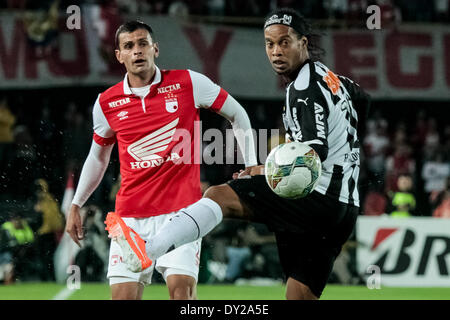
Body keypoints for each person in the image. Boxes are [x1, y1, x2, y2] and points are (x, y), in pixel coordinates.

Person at [105, 8, 370, 300]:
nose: (276, 52)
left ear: (303, 43)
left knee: (219, 197)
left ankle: (148, 249)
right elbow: (363, 102)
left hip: (316, 198)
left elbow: (310, 156)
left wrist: (268, 170)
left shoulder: (304, 90)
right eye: (270, 44)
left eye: (285, 42)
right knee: (299, 296)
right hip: (346, 206)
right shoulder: (334, 79)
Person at [65, 20, 258, 300]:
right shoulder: (106, 102)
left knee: (182, 297)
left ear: (155, 48)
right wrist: (76, 204)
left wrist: (251, 163)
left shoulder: (188, 82)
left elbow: (237, 113)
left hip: (182, 213)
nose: (137, 51)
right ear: (119, 55)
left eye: (142, 44)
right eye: (128, 46)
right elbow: (98, 156)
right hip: (130, 217)